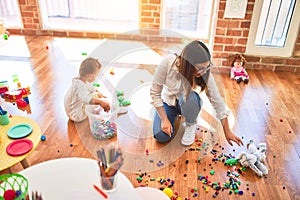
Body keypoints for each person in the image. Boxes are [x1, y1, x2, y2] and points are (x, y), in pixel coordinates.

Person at [150, 41, 243, 146]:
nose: (204, 71)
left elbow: (217, 101)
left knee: (190, 97)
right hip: (168, 103)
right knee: (161, 136)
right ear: (188, 65)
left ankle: (191, 123)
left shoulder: (205, 73)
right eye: (200, 68)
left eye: (207, 67)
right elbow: (155, 92)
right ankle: (168, 114)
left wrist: (227, 131)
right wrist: (164, 119)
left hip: (189, 103)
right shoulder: (167, 63)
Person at [64, 57, 110, 122]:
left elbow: (92, 89)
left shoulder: (80, 80)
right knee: (92, 97)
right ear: (90, 76)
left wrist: (101, 95)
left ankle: (98, 98)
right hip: (77, 116)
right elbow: (85, 99)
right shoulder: (80, 86)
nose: (96, 77)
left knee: (93, 94)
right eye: (96, 75)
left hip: (71, 111)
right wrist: (100, 102)